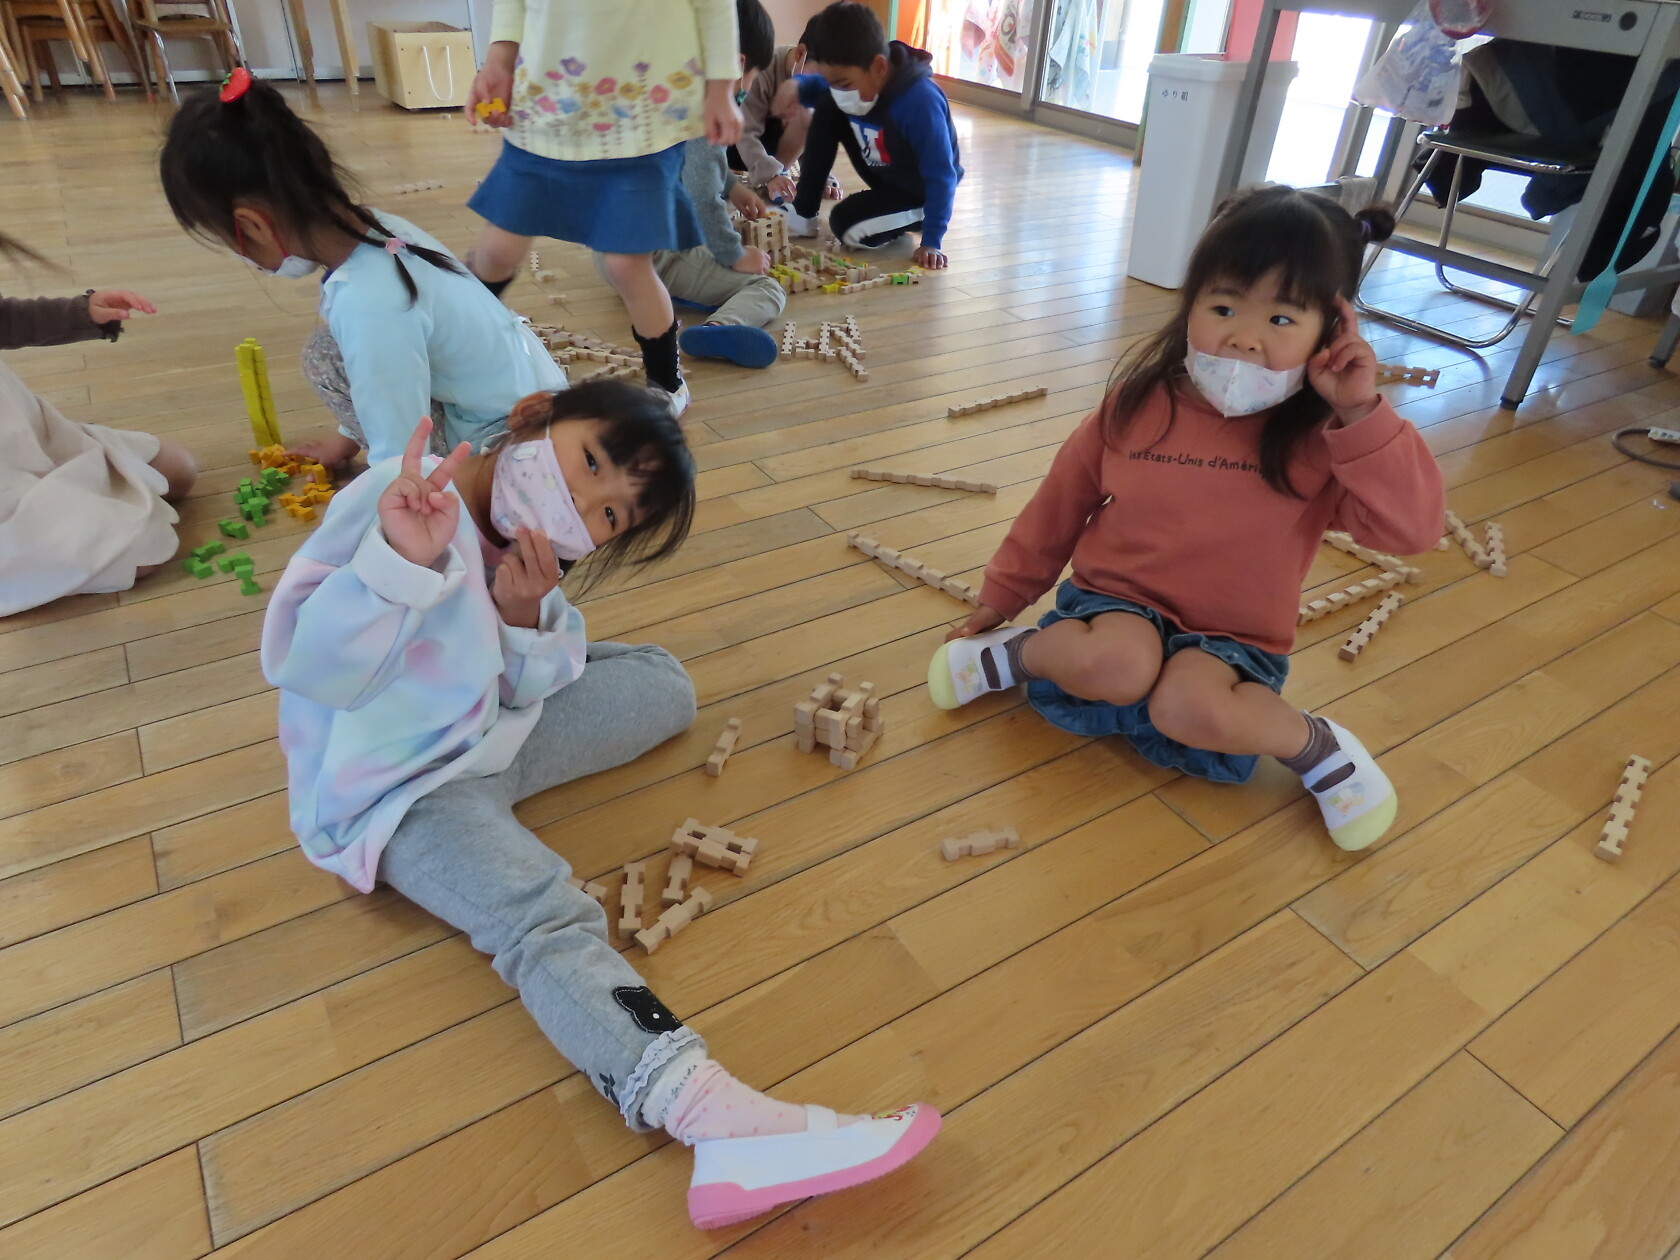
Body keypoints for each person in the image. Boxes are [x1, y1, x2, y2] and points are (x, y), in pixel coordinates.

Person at [263, 379, 940, 1230]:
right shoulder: (392, 498)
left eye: (610, 514)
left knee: (663, 685)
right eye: (589, 463)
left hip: (491, 733)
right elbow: (307, 668)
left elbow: (523, 687)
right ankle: (710, 1117)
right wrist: (402, 564)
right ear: (533, 416)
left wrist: (520, 614)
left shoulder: (530, 551)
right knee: (540, 912)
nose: (582, 506)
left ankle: (512, 759)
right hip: (398, 788)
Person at [926, 187, 1445, 853]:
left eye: (1281, 319)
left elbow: (1412, 531)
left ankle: (1318, 747)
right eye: (1223, 307)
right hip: (1113, 604)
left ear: (1332, 332)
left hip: (1234, 640)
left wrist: (1360, 413)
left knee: (1189, 706)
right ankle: (1011, 654)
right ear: (1190, 302)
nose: (1244, 337)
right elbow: (1057, 507)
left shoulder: (1324, 440)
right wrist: (1001, 599)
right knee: (1116, 663)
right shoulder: (1136, 404)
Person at [158, 71, 567, 473]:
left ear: (252, 226)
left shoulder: (368, 302)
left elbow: (400, 454)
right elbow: (390, 365)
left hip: (509, 446)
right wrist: (344, 441)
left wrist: (387, 498)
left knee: (324, 359)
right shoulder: (382, 229)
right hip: (538, 402)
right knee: (332, 349)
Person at [463, 0, 746, 416]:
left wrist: (721, 87)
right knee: (497, 250)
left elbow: (715, 7)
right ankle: (457, 343)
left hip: (645, 122)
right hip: (545, 113)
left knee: (626, 264)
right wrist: (497, 63)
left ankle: (666, 381)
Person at [0, 231, 197, 616]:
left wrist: (84, 312)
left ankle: (76, 507)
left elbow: (5, 319)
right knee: (141, 553)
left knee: (179, 469)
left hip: (27, 439)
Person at [604, 0, 785, 370]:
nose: (748, 90)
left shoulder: (663, 91)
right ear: (737, 65)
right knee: (766, 287)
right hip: (654, 255)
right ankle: (720, 327)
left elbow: (693, 165)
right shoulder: (707, 110)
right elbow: (702, 196)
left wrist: (733, 187)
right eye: (752, 79)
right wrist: (735, 255)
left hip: (610, 250)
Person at [772, 2, 962, 269]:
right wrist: (796, 85)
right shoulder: (856, 79)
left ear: (879, 68)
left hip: (920, 192)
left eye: (844, 84)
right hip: (887, 175)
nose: (839, 92)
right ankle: (804, 213)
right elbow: (822, 88)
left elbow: (942, 175)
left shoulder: (919, 101)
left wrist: (932, 239)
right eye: (832, 83)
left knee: (846, 224)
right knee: (828, 105)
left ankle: (917, 215)